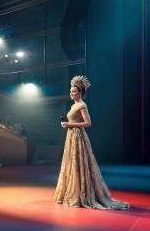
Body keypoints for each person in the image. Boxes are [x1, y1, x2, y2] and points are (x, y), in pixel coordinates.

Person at [54, 76, 130, 209]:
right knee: (72, 163)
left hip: (78, 137)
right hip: (71, 136)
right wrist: (67, 125)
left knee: (80, 163)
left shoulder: (82, 105)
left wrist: (69, 123)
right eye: (71, 91)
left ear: (81, 92)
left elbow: (88, 123)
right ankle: (72, 191)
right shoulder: (74, 105)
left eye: (74, 92)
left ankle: (81, 193)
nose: (72, 94)